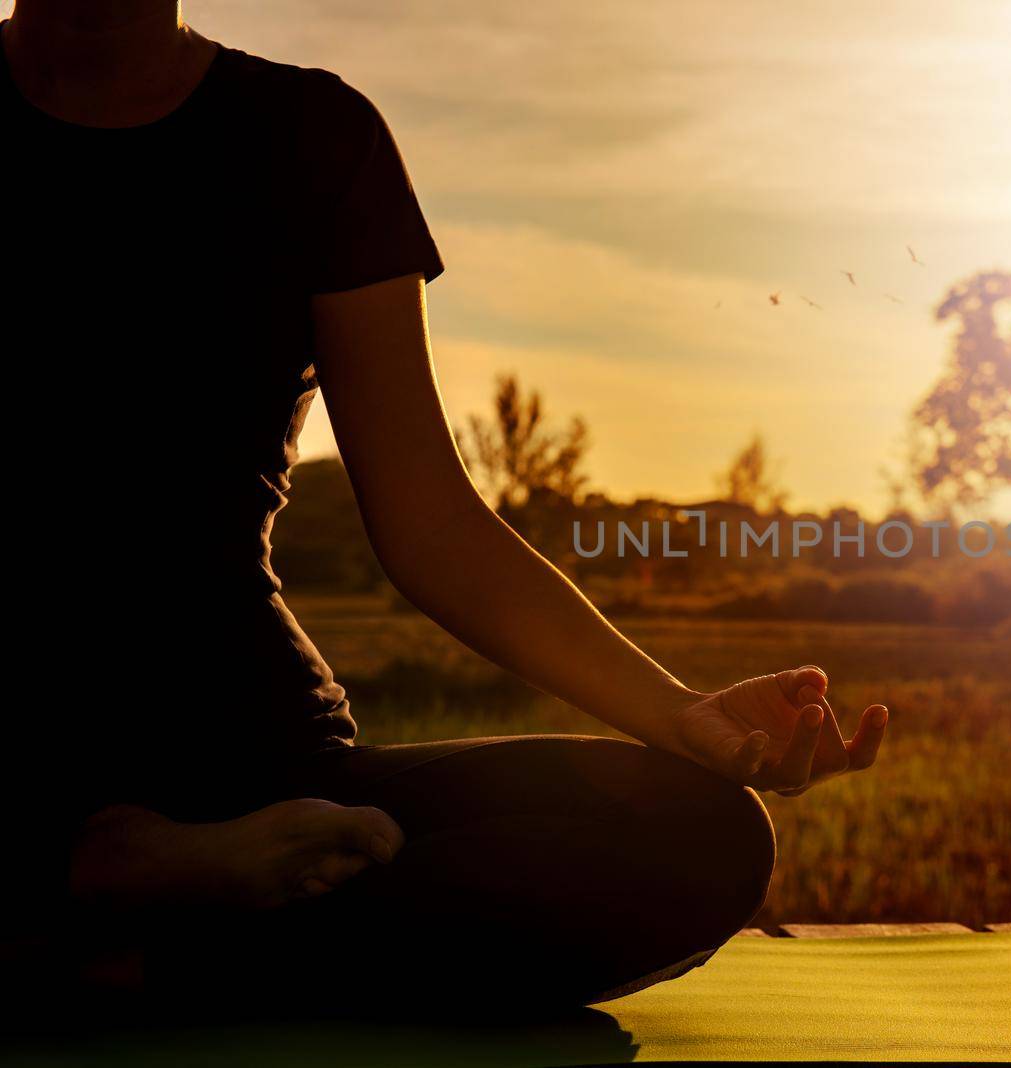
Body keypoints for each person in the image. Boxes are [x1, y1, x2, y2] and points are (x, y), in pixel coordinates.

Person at [1, 0, 887, 1013]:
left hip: (248, 764)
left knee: (697, 832)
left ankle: (105, 940)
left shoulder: (312, 135)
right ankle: (105, 903)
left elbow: (431, 523)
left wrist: (678, 716)